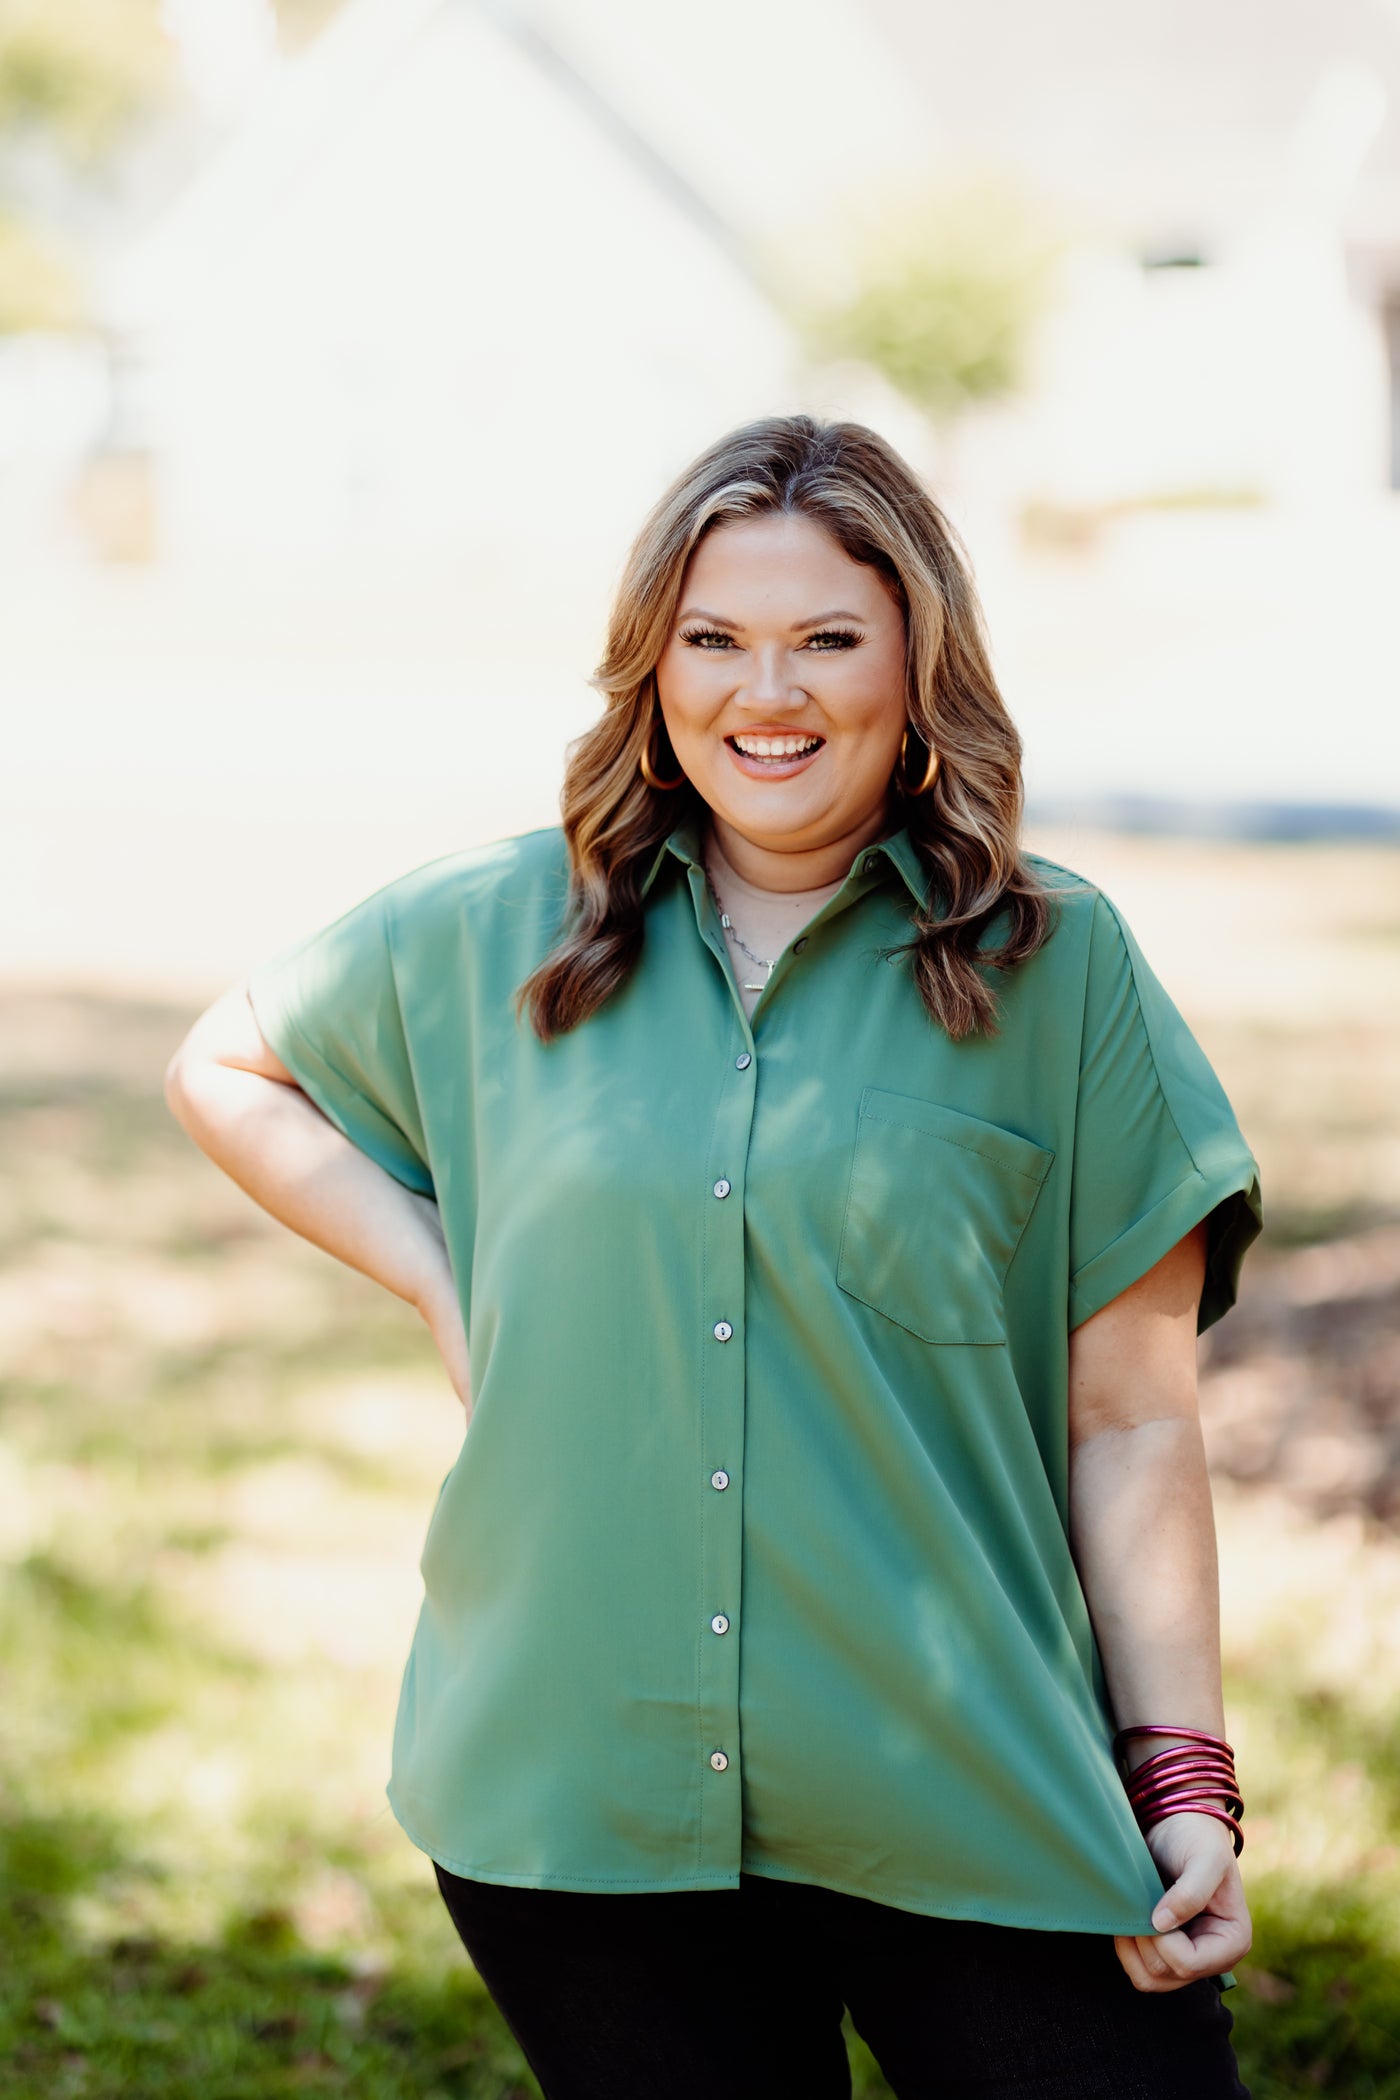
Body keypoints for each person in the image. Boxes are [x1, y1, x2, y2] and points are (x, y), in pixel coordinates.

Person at [165, 415, 1262, 2099]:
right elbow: (228, 1067)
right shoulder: (486, 929)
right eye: (716, 640)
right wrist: (449, 1278)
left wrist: (1179, 1772)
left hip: (968, 1780)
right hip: (579, 1798)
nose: (770, 694)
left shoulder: (1061, 967)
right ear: (653, 668)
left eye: (829, 638)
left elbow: (1129, 1415)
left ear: (918, 667)